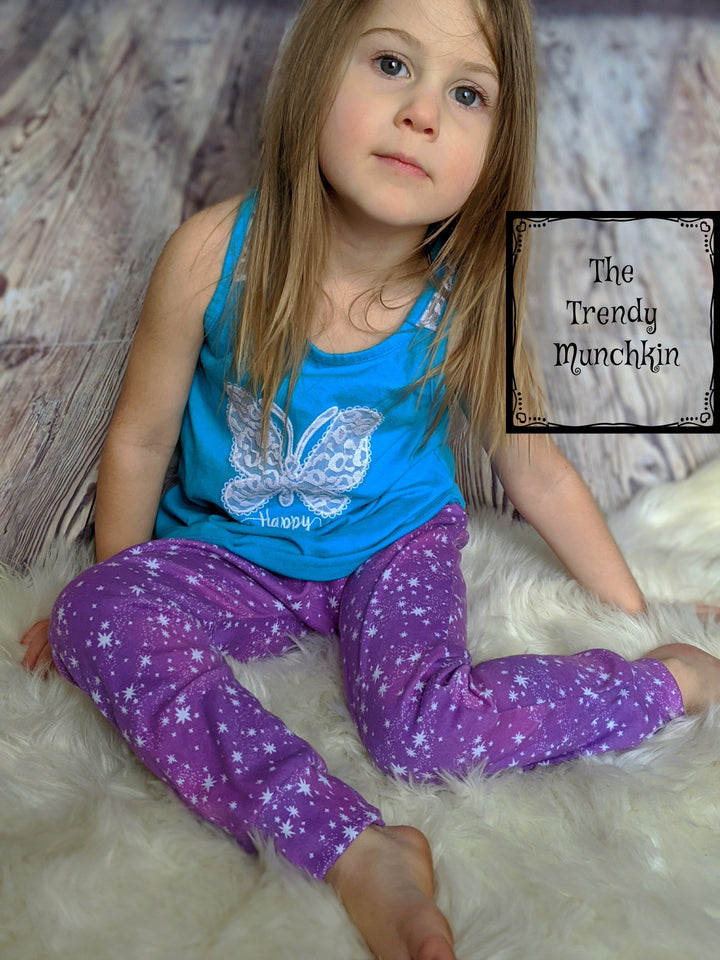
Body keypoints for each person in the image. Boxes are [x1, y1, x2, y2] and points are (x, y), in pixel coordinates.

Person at [19, 0, 720, 957]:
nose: (421, 112)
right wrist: (120, 584)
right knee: (91, 609)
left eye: (467, 94)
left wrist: (638, 614)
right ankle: (352, 847)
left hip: (393, 548)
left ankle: (666, 686)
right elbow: (141, 442)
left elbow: (534, 468)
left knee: (420, 732)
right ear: (316, 74)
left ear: (496, 148)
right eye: (391, 65)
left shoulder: (463, 301)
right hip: (233, 556)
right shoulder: (212, 256)